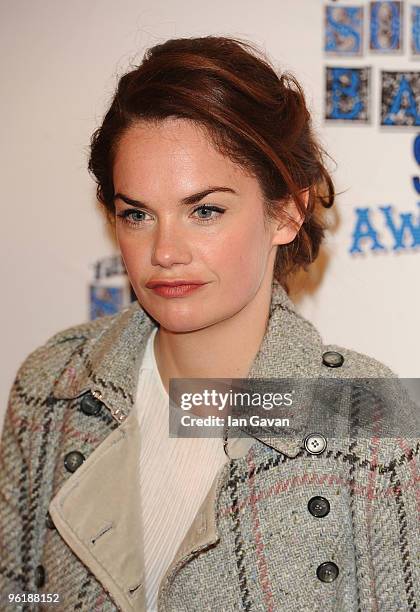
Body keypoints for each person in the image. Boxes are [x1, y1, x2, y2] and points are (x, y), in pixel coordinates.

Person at [0, 35, 418, 612]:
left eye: (205, 210)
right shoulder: (52, 387)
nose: (165, 251)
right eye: (137, 214)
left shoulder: (370, 424)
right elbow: (20, 595)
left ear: (286, 212)